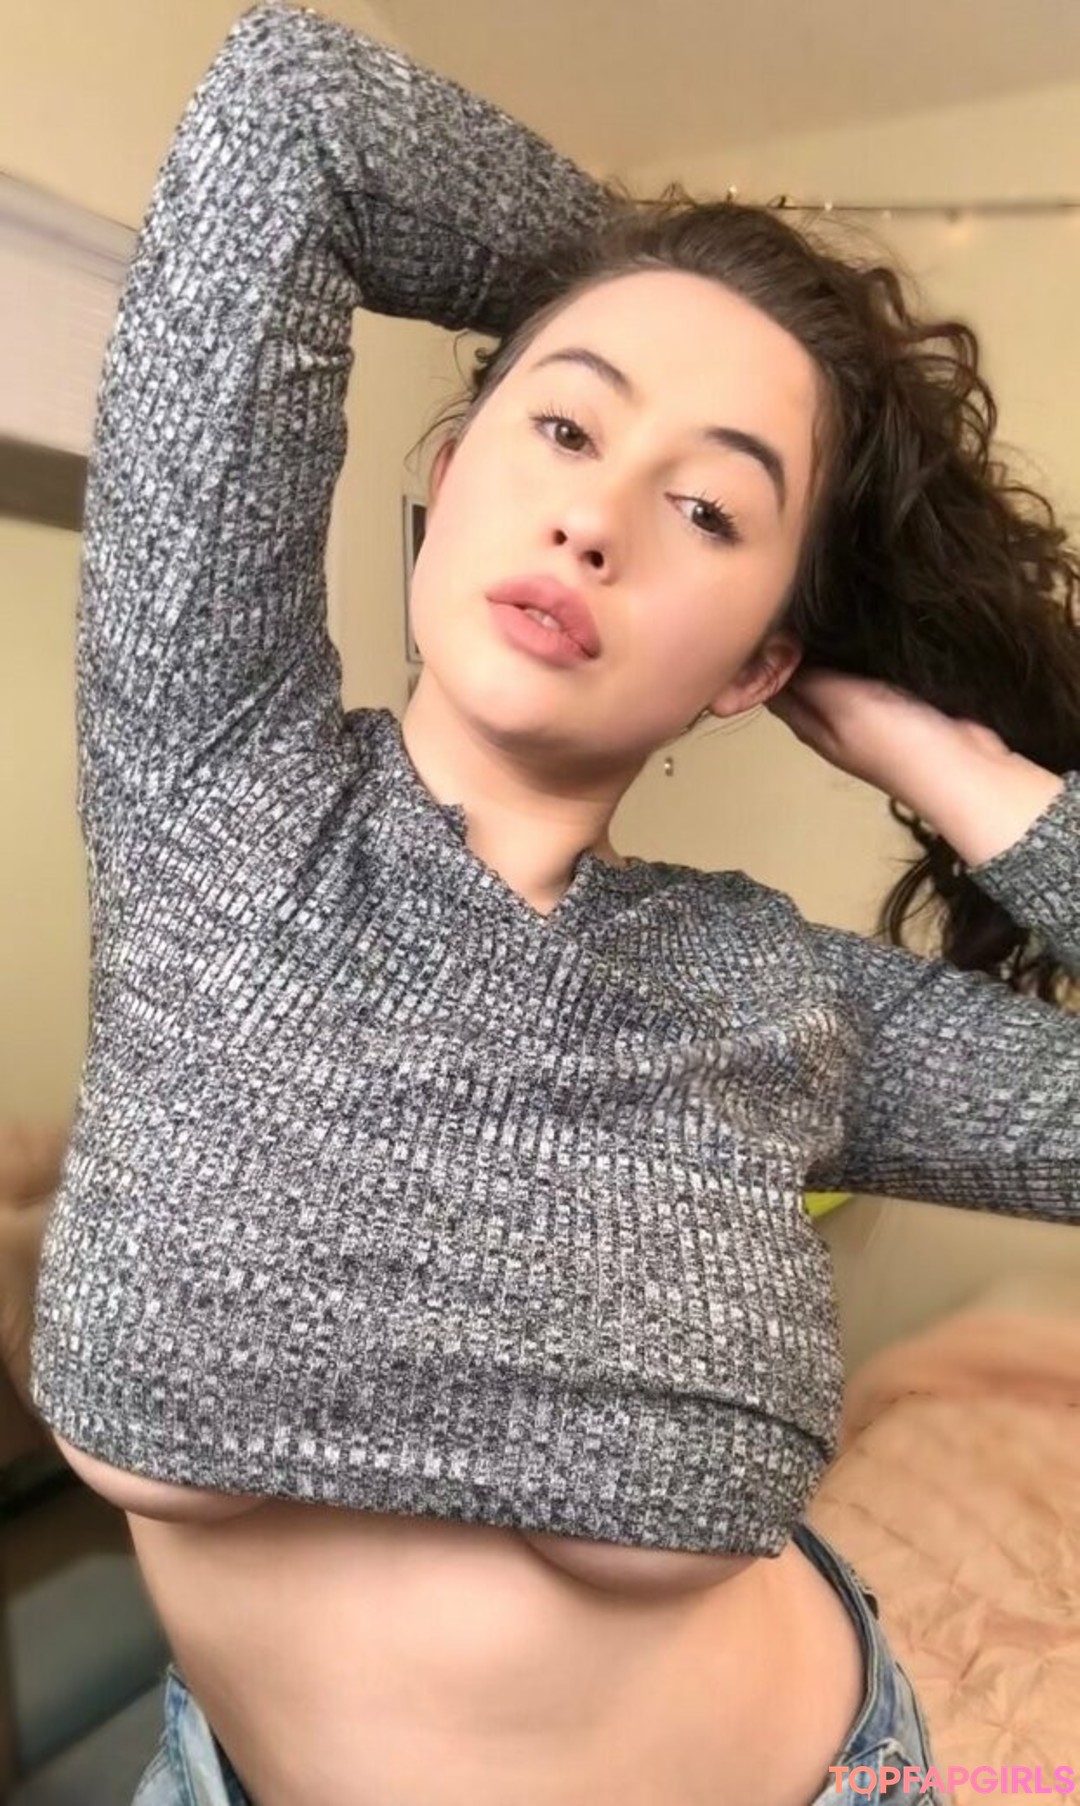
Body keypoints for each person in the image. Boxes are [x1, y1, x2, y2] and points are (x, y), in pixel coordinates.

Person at [21, 2, 1078, 1803]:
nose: (599, 523)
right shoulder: (214, 792)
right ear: (450, 480)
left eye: (710, 511)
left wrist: (962, 769)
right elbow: (293, 112)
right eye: (568, 425)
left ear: (757, 666)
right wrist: (652, 272)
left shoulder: (780, 999)